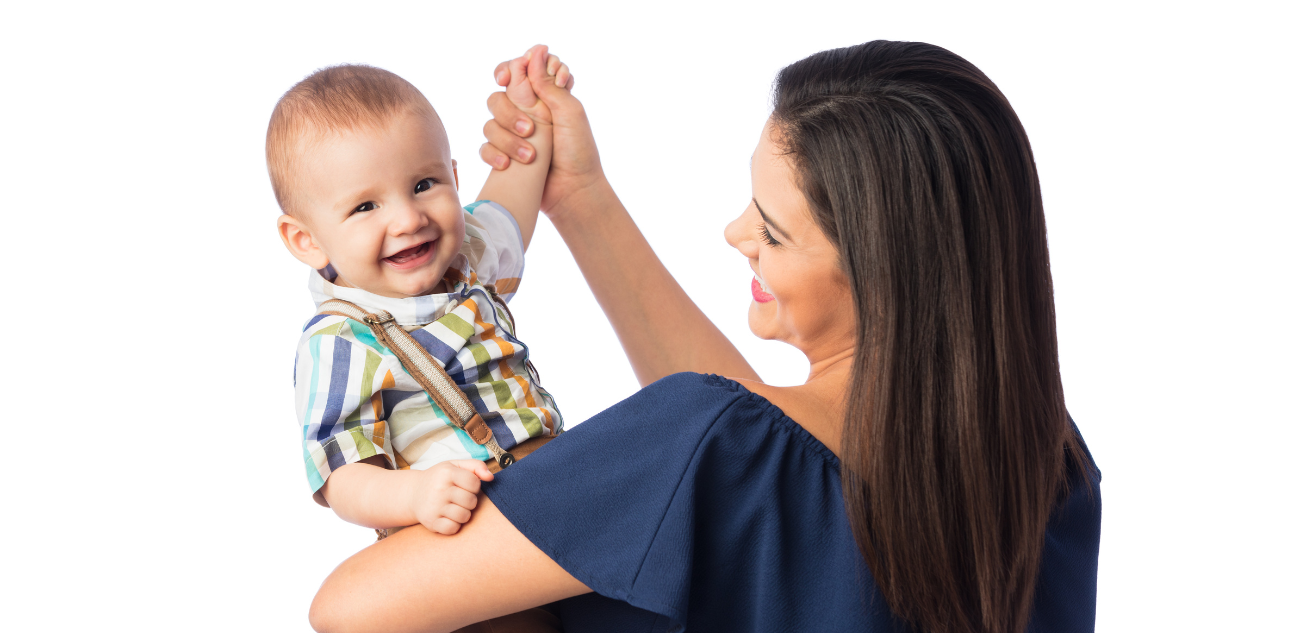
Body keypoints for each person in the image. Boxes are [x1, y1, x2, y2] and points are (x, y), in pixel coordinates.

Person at [308, 41, 1102, 633]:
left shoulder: (715, 447)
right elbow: (760, 453)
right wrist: (580, 200)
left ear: (885, 272)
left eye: (774, 232)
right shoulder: (1049, 470)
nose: (735, 233)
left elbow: (349, 610)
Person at [270, 49, 580, 632]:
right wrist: (413, 497)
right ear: (308, 240)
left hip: (549, 495)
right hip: (458, 531)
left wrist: (530, 114)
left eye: (423, 184)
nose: (408, 218)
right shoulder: (342, 340)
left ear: (455, 179)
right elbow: (342, 475)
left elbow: (512, 199)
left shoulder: (467, 261)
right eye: (366, 206)